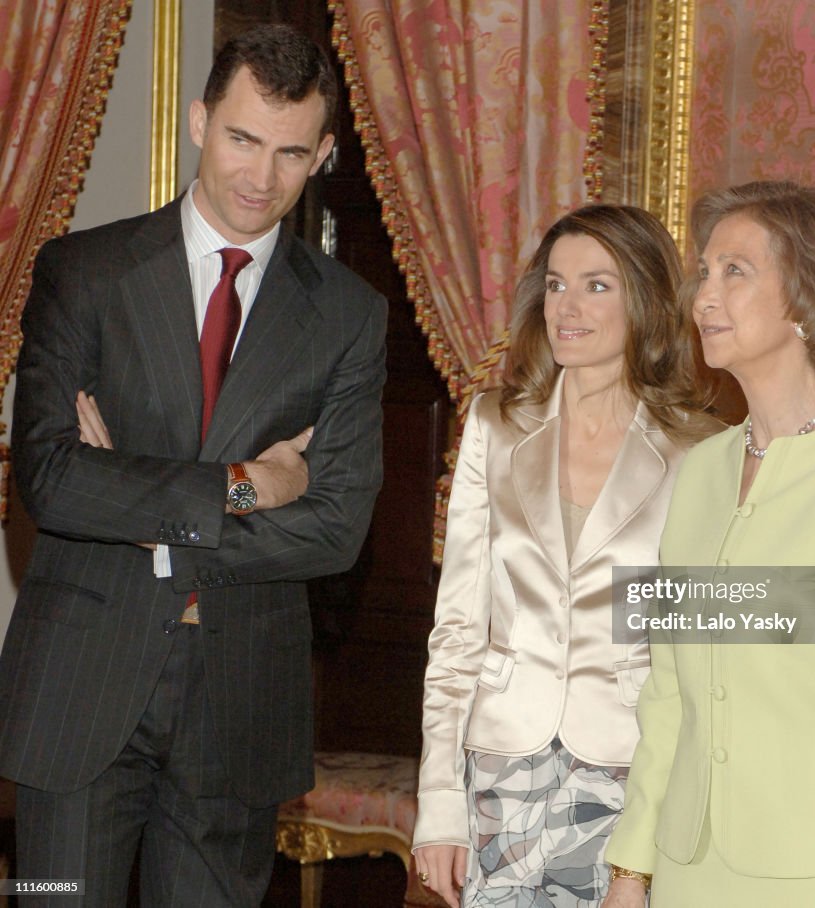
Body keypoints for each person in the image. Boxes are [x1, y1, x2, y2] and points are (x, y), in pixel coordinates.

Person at [0, 24, 386, 906]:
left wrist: (145, 514)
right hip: (79, 695)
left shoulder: (348, 316)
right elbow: (54, 479)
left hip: (240, 709)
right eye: (244, 139)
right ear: (199, 122)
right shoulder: (84, 273)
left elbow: (334, 526)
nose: (261, 176)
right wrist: (247, 486)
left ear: (323, 153)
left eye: (292, 153)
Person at [602, 180, 815, 907]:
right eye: (705, 271)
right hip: (687, 874)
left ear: (810, 300)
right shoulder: (700, 474)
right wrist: (632, 869)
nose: (703, 296)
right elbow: (668, 693)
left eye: (735, 271)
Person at [412, 204, 722, 907]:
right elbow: (458, 628)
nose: (568, 307)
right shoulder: (495, 424)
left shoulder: (700, 450)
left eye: (597, 285)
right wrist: (438, 803)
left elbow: (697, 657)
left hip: (627, 774)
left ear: (643, 300)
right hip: (499, 769)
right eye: (555, 285)